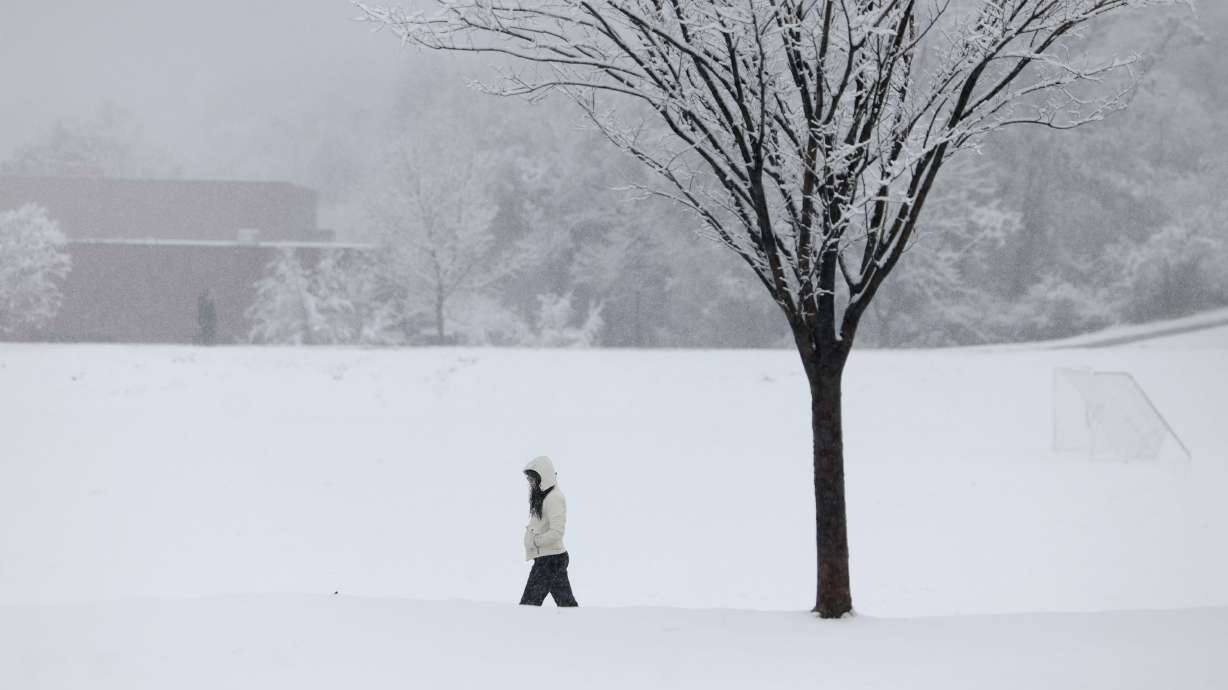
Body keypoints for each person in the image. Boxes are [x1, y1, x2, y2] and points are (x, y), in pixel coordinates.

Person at [520, 455, 578, 607]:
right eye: (529, 480)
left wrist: (534, 541)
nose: (530, 484)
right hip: (550, 558)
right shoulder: (543, 497)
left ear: (543, 478)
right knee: (567, 605)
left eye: (532, 480)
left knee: (528, 606)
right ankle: (578, 627)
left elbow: (557, 532)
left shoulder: (554, 498)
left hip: (550, 560)